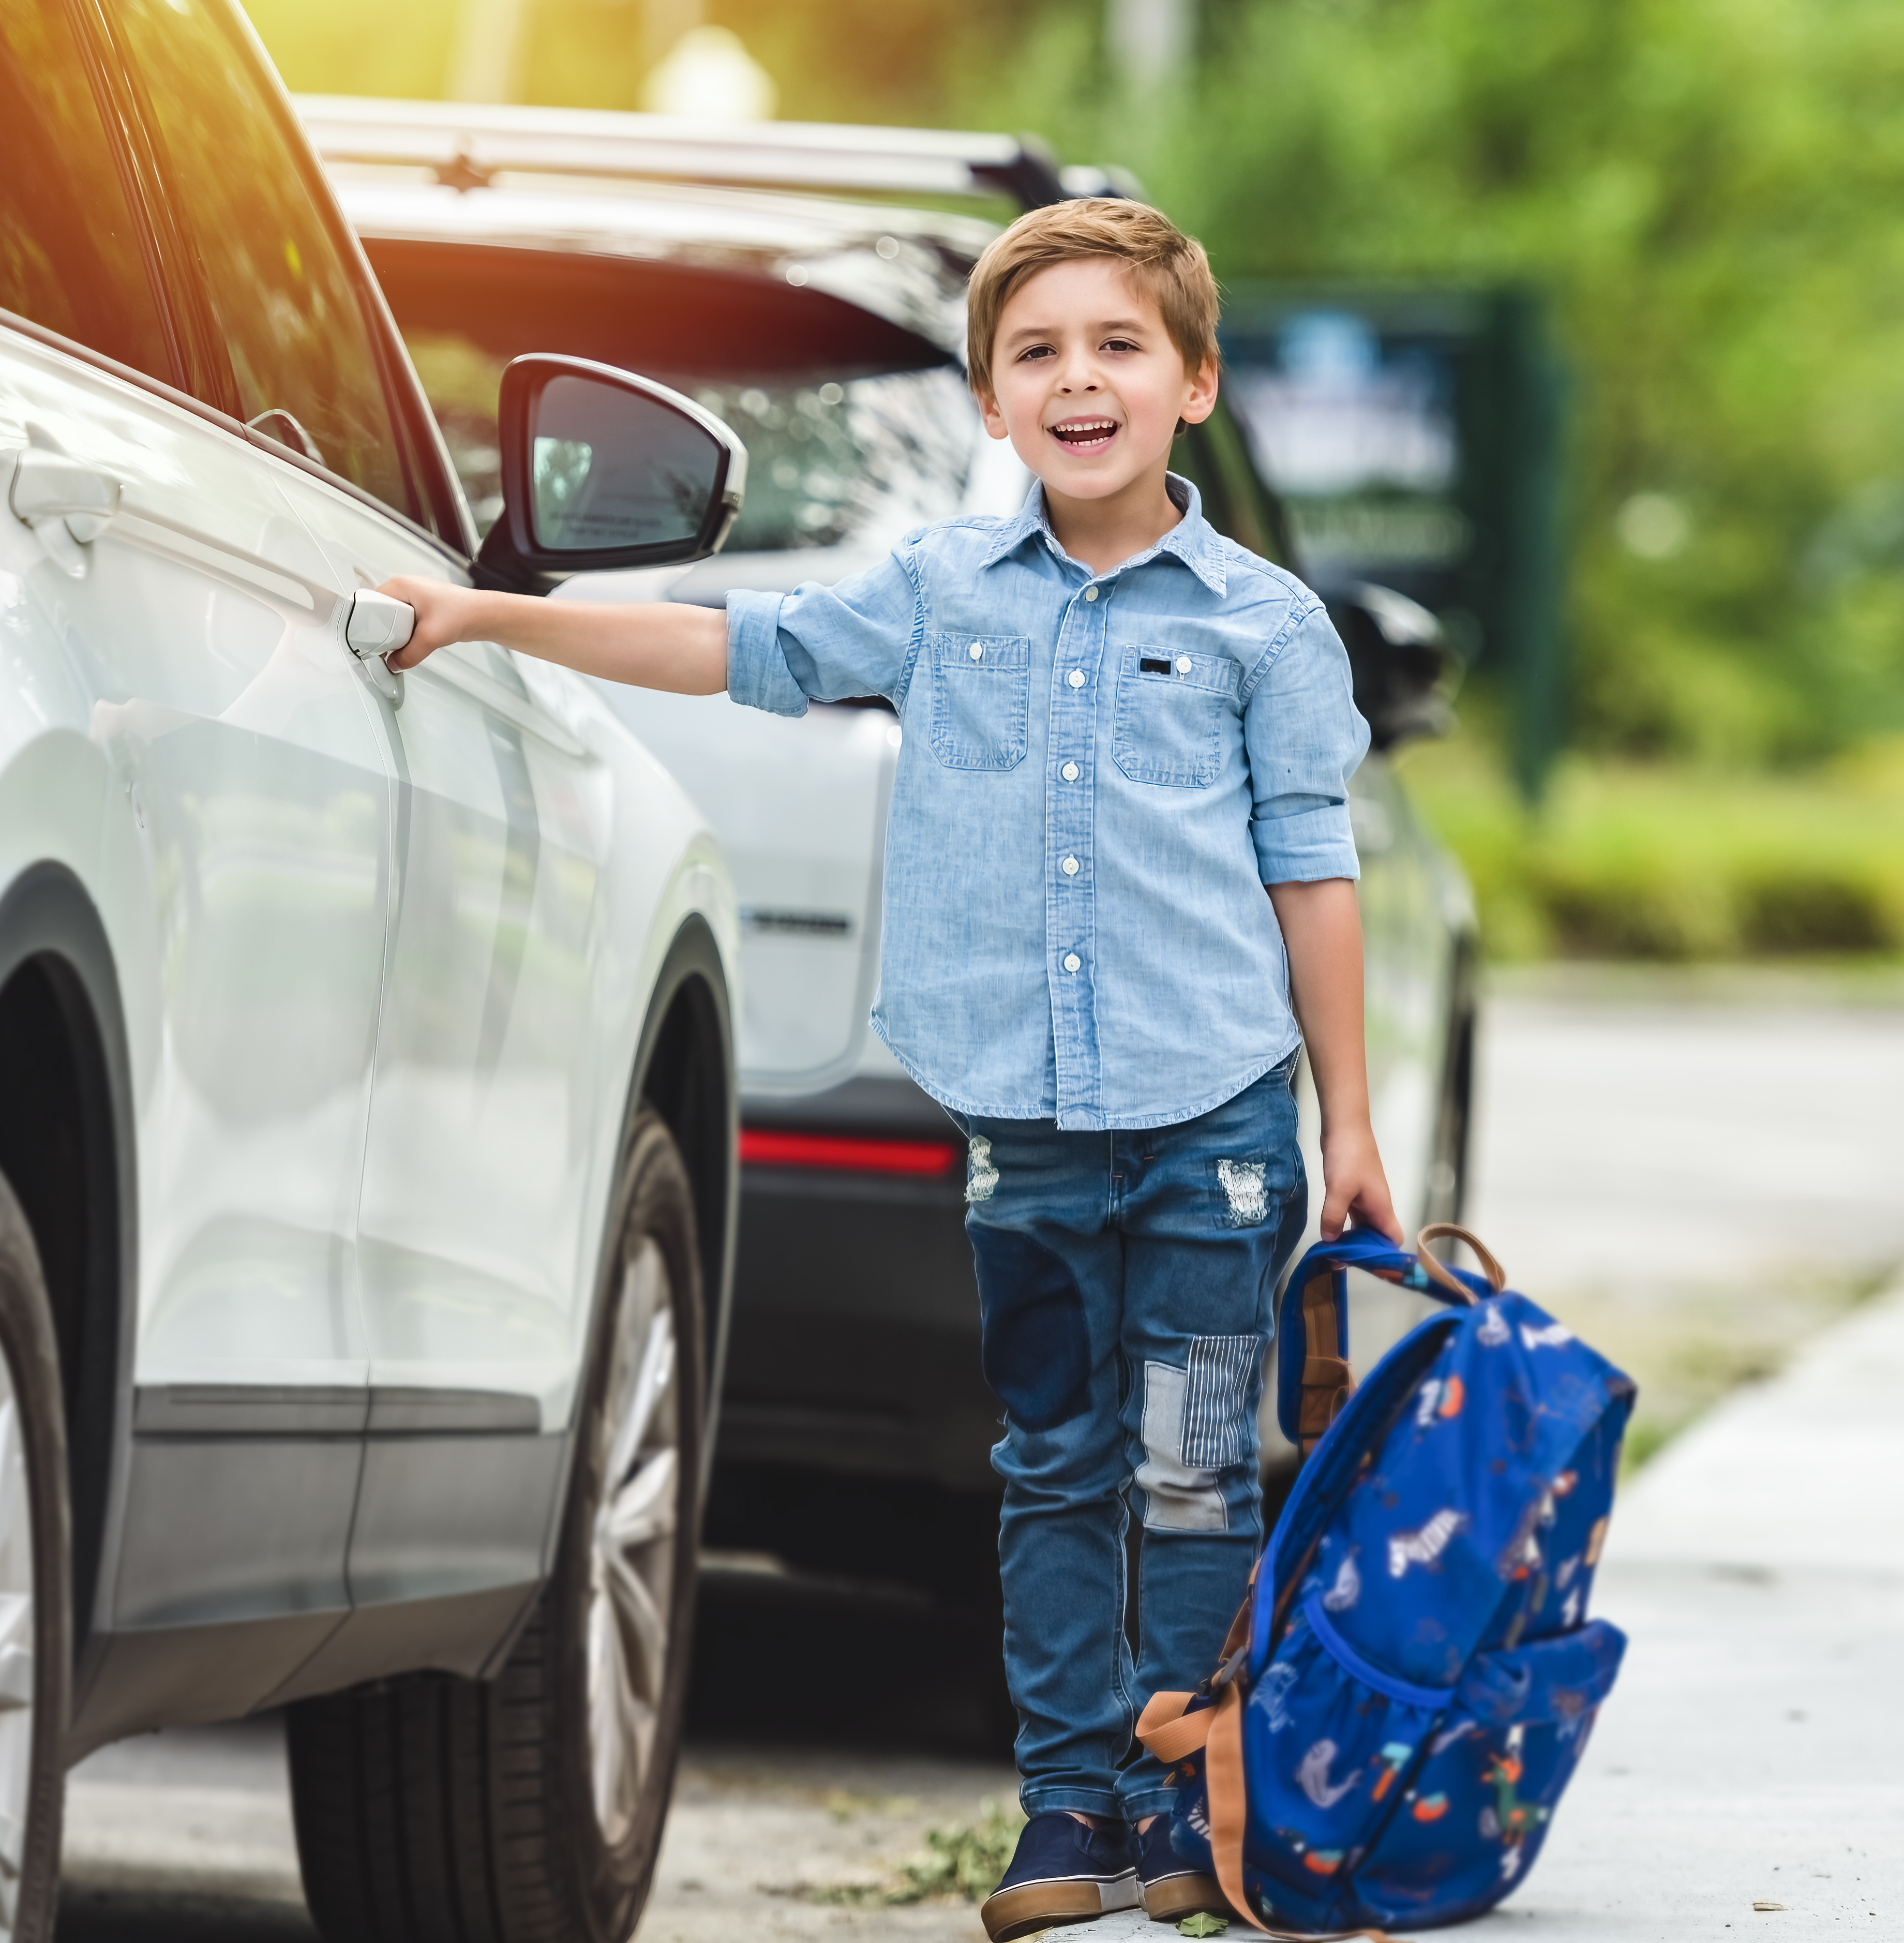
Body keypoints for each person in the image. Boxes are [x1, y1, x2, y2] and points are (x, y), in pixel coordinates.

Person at [376, 198, 1396, 1940]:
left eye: (1118, 347)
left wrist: (1351, 1119)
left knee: (1196, 1464)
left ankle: (1184, 1804)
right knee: (1056, 1461)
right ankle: (1065, 1809)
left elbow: (1313, 869)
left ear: (1196, 385)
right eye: (1037, 355)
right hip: (1024, 1127)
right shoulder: (937, 599)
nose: (1079, 381)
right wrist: (490, 617)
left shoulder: (1266, 628)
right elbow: (737, 651)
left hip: (1218, 1122)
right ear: (994, 408)